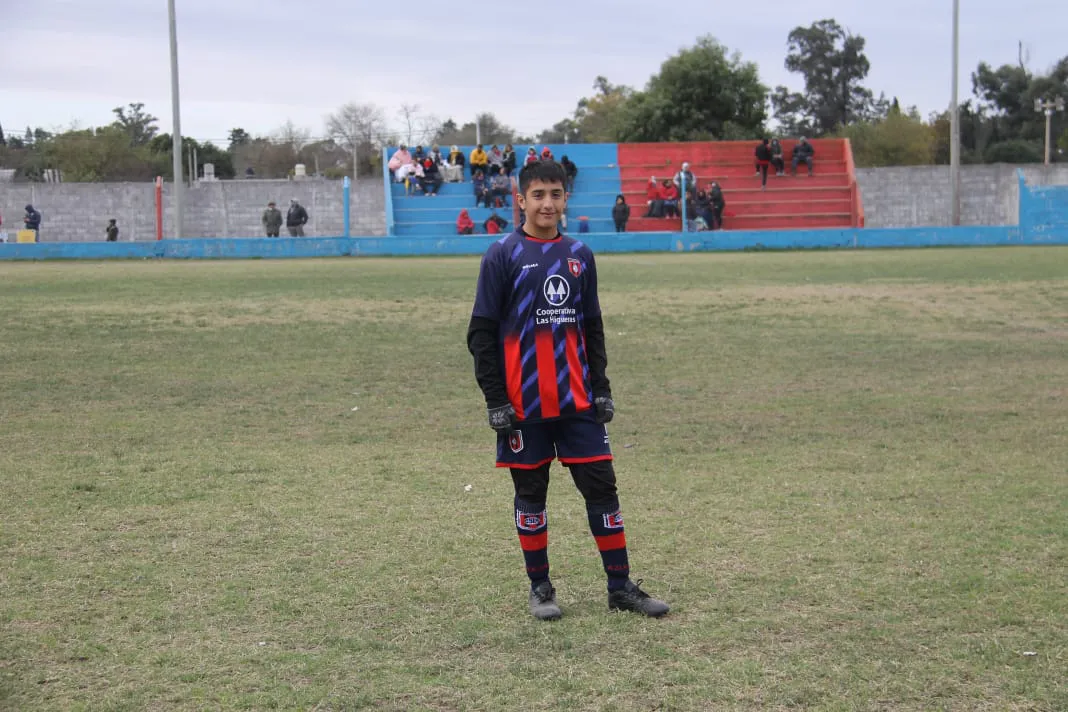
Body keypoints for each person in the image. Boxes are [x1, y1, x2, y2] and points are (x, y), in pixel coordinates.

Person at [467, 160, 670, 621]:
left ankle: (620, 587)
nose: (547, 203)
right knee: (531, 494)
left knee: (603, 490)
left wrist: (601, 387)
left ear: (565, 199)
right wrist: (495, 399)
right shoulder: (502, 254)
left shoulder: (580, 254)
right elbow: (481, 333)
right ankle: (540, 588)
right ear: (520, 200)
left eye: (555, 194)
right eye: (538, 195)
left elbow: (592, 328)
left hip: (578, 402)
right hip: (525, 405)